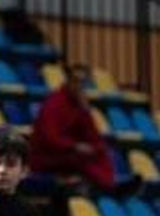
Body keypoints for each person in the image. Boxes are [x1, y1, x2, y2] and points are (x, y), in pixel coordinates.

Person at [29, 63, 117, 194]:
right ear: (69, 80)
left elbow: (92, 135)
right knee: (82, 160)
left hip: (69, 151)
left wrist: (85, 112)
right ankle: (104, 189)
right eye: (76, 81)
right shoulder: (54, 103)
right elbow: (50, 136)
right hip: (48, 154)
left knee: (101, 152)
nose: (79, 86)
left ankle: (108, 187)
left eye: (83, 83)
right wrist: (74, 146)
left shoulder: (79, 105)